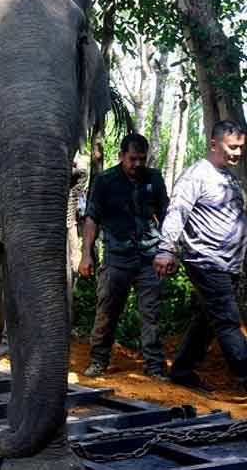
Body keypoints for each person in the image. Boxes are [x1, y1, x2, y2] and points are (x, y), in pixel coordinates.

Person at [154, 120, 247, 393]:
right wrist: (165, 249)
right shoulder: (197, 175)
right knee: (227, 320)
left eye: (241, 148)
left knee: (209, 319)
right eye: (233, 147)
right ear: (213, 144)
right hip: (207, 260)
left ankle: (182, 370)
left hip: (229, 262)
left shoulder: (228, 176)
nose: (238, 153)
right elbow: (178, 211)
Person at [80, 133, 170, 379]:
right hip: (116, 258)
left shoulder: (154, 179)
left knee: (151, 314)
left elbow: (166, 215)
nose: (137, 164)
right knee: (106, 312)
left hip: (149, 258)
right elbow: (92, 218)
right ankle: (98, 361)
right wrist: (86, 254)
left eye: (142, 159)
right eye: (132, 159)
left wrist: (169, 251)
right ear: (121, 156)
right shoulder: (105, 181)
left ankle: (154, 367)